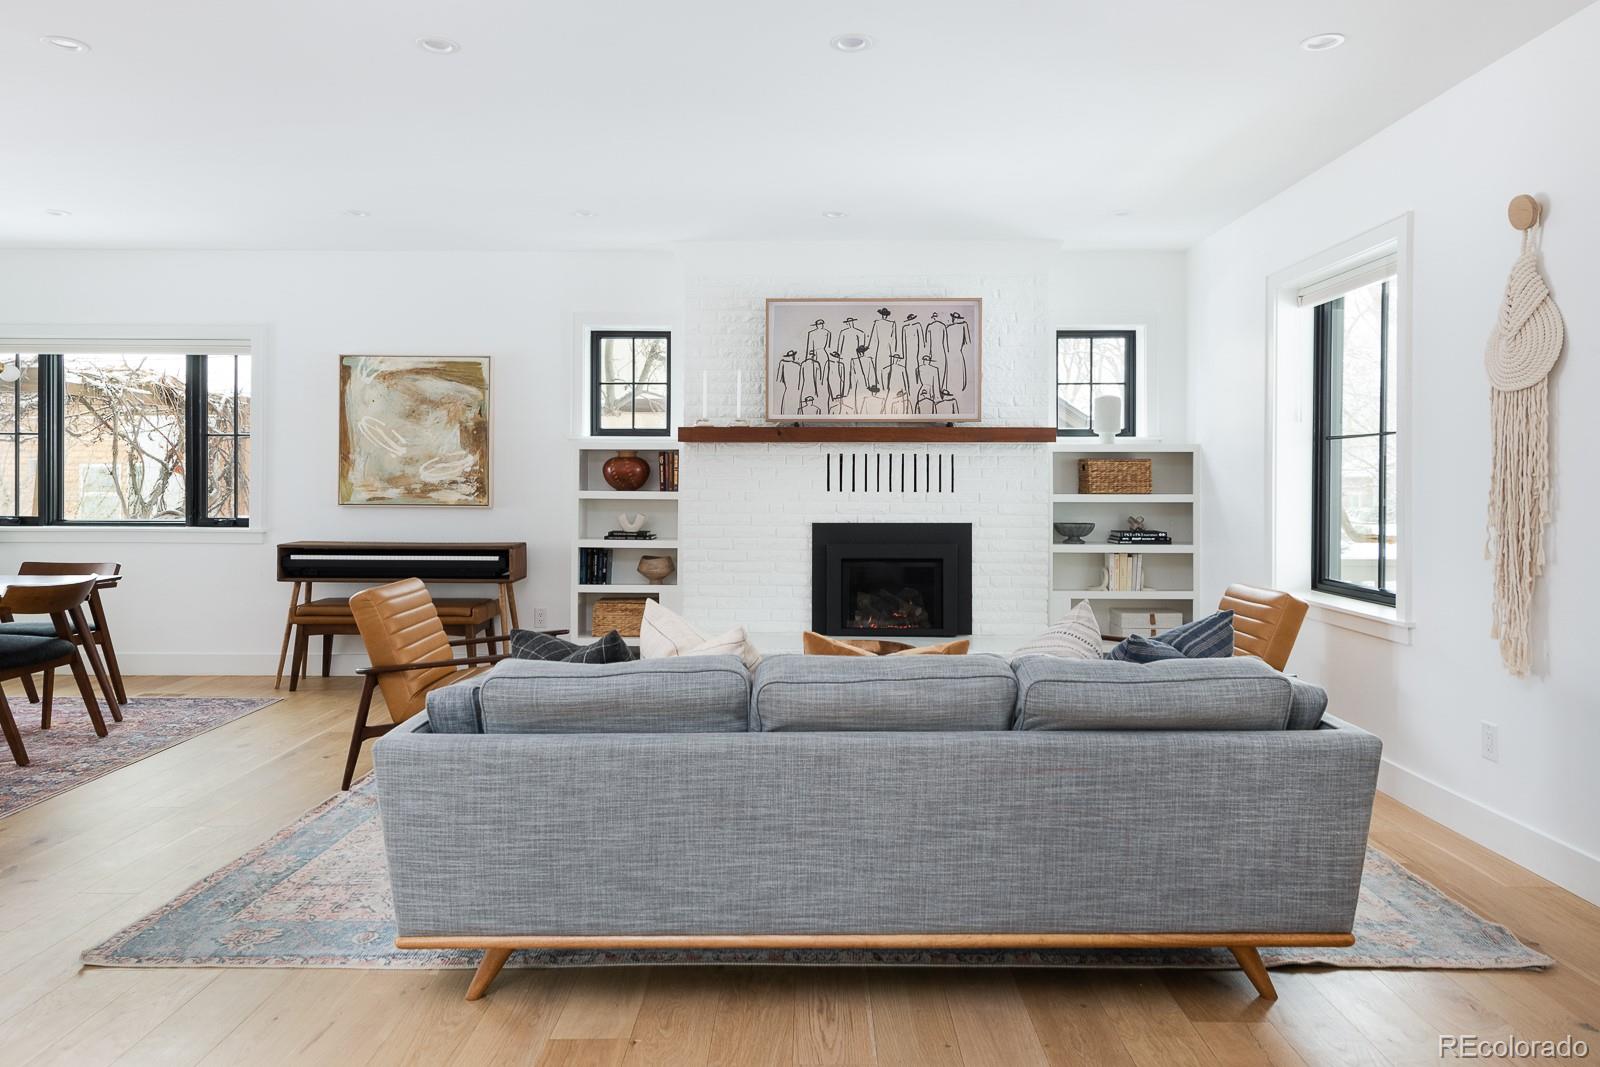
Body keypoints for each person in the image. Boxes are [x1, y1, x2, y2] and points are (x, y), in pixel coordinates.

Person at [924, 312, 950, 395]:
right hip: (941, 353)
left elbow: (927, 343)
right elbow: (946, 342)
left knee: (934, 374)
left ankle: (934, 391)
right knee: (941, 373)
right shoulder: (943, 326)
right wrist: (947, 352)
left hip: (933, 354)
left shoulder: (930, 326)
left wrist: (928, 354)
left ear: (933, 318)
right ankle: (941, 390)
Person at [947, 310, 972, 395]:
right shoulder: (950, 327)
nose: (953, 319)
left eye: (954, 318)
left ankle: (957, 388)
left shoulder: (961, 326)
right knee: (954, 372)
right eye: (953, 318)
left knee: (956, 371)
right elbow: (968, 342)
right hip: (953, 353)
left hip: (955, 353)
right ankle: (955, 388)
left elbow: (968, 342)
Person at [774, 349, 803, 415]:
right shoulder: (798, 365)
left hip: (789, 390)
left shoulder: (783, 363)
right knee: (794, 409)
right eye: (793, 356)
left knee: (787, 409)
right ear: (793, 356)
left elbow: (778, 379)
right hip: (796, 391)